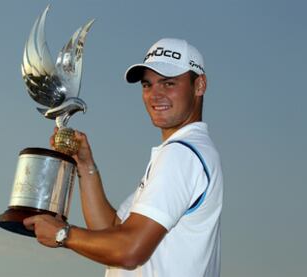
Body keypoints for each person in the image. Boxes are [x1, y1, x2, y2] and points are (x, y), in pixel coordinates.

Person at [23, 38, 223, 277]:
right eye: (147, 85)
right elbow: (111, 231)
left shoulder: (182, 154)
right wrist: (86, 167)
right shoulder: (186, 151)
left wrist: (63, 234)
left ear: (199, 85)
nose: (155, 95)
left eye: (168, 84)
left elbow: (130, 250)